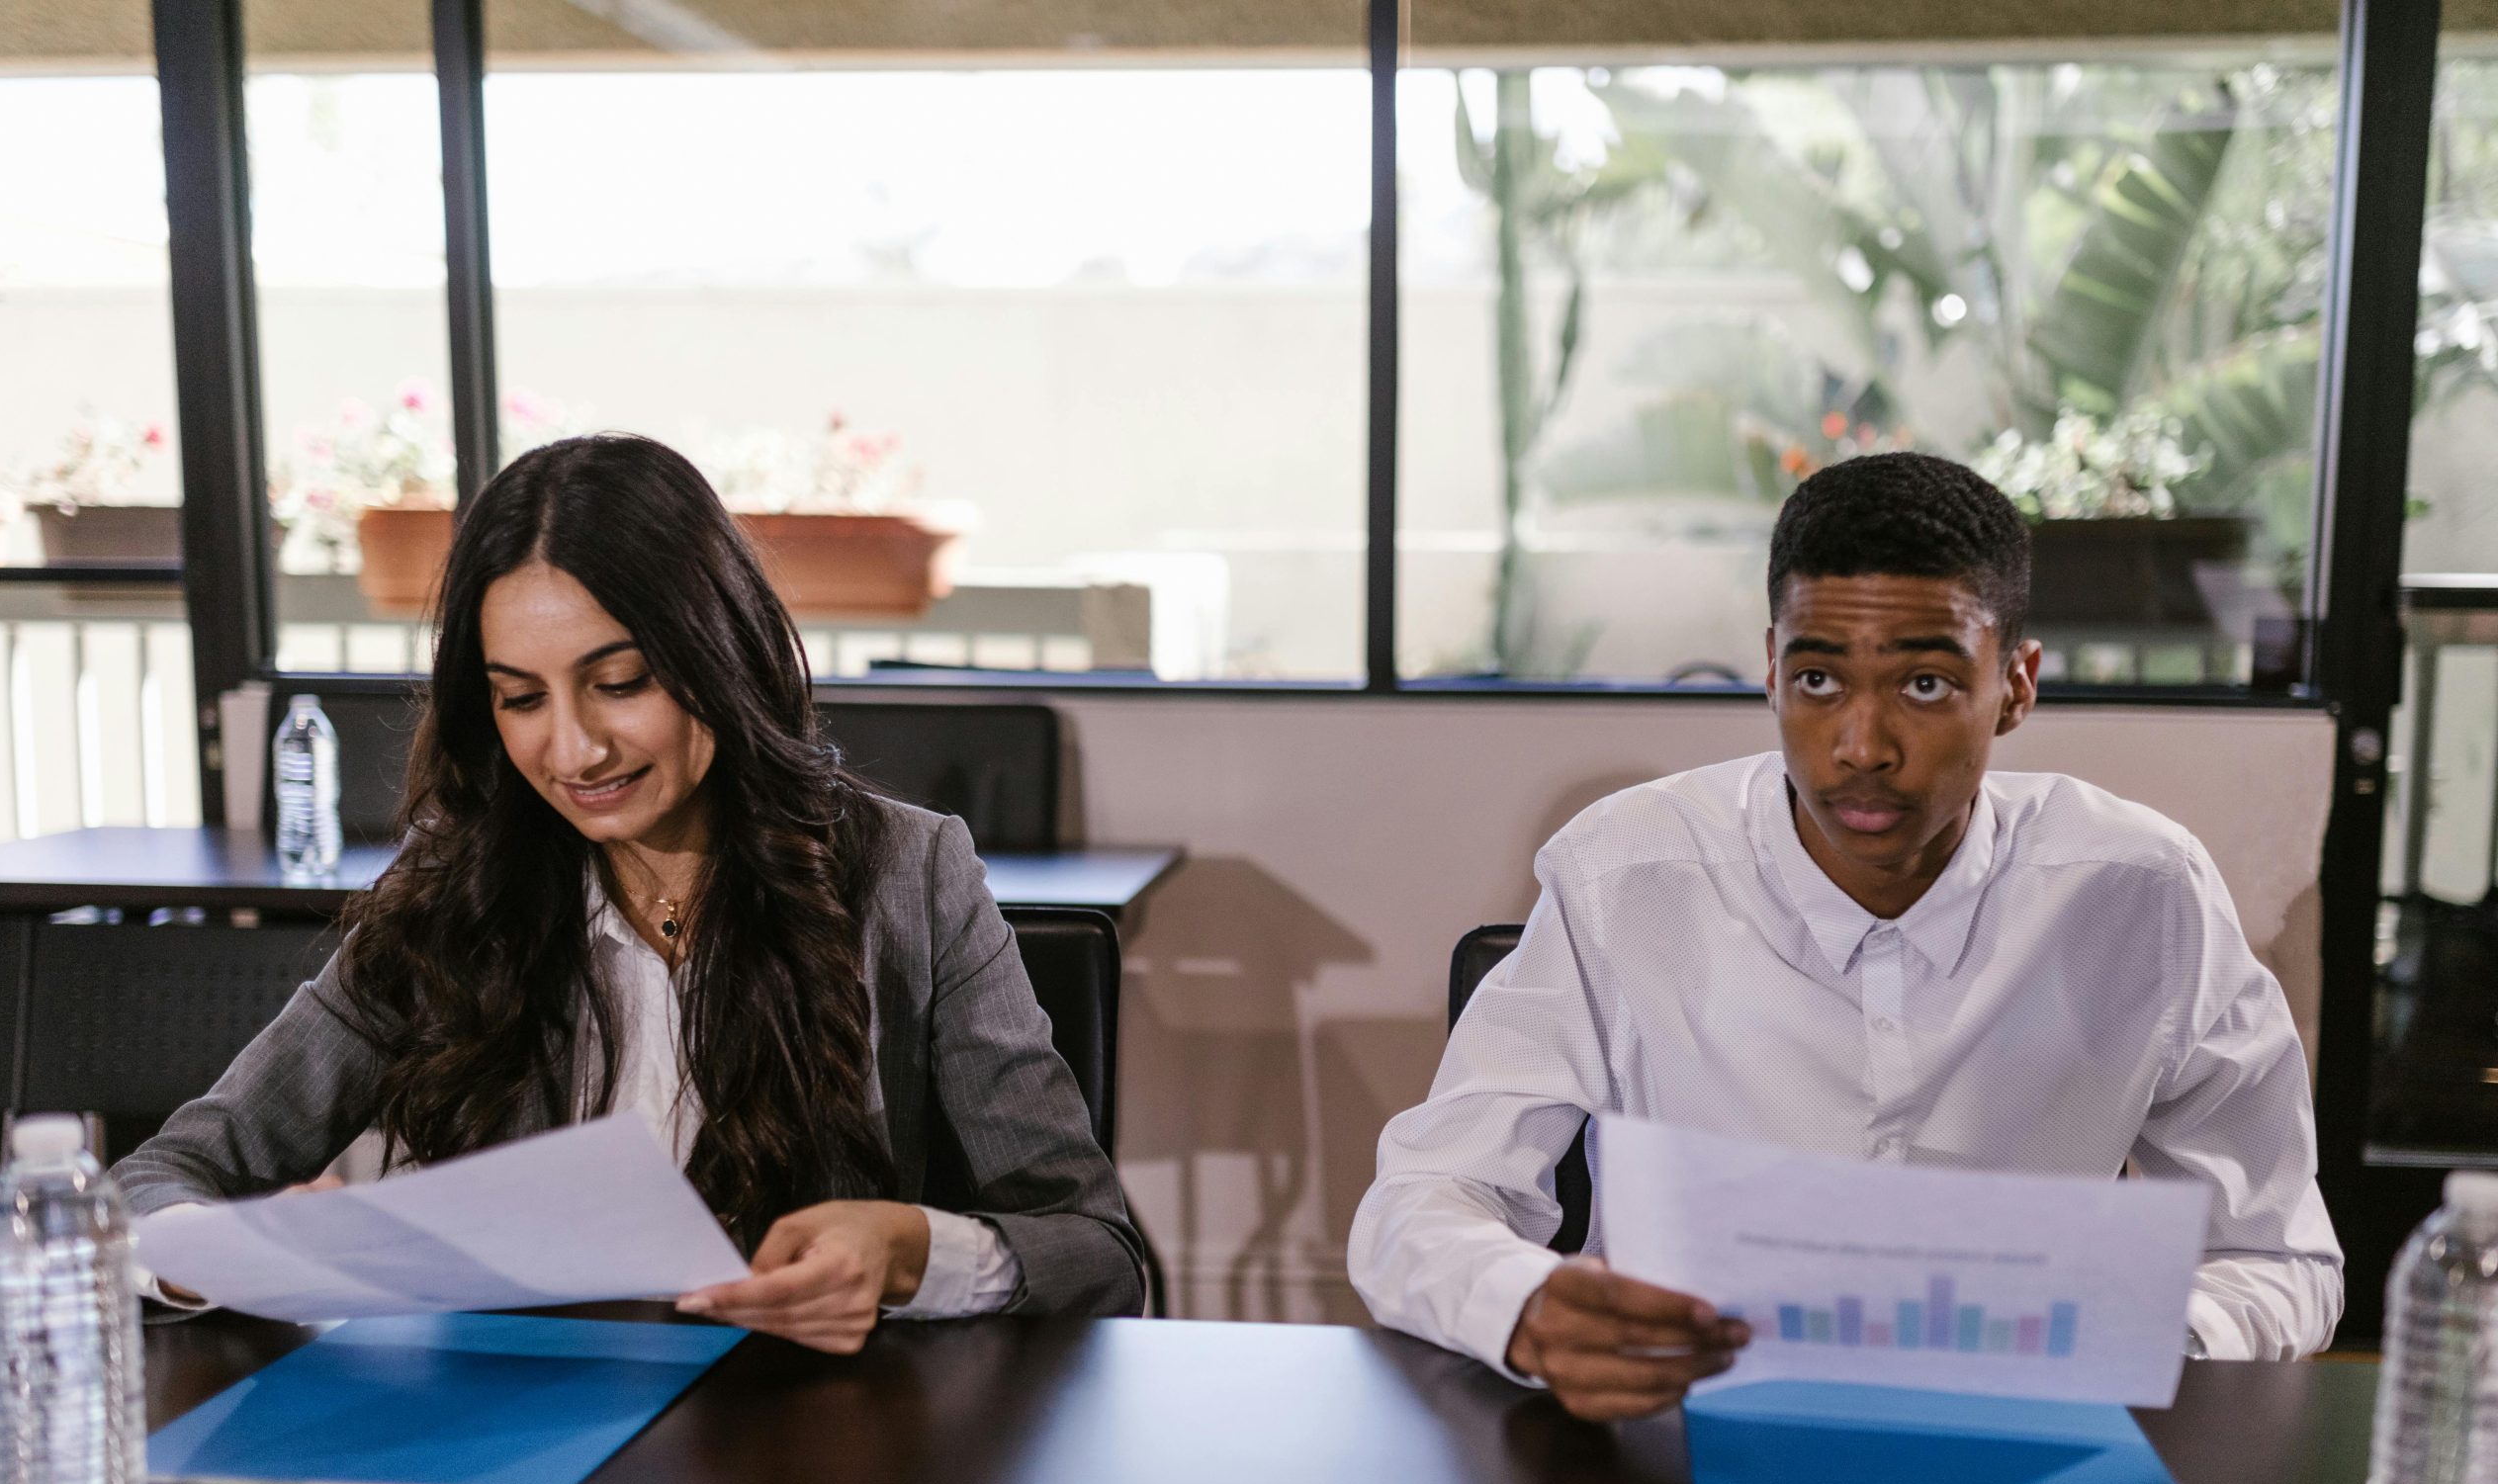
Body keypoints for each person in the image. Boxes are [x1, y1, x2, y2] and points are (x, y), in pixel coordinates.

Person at [1348, 451, 2342, 1421]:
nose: (1862, 748)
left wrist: (2130, 1343)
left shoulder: (2141, 895)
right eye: (1820, 681)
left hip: (2023, 1453)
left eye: (1923, 686)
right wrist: (1525, 1308)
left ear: (2016, 686)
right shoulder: (1626, 874)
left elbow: (2278, 1257)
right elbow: (1424, 1200)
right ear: (1772, 672)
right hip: (1678, 1450)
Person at [121, 433, 1144, 1346]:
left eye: (620, 684)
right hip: (512, 1468)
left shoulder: (910, 878)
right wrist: (221, 1248)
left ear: (720, 654)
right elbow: (152, 1184)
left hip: (800, 1479)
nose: (572, 748)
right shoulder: (450, 897)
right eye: (520, 698)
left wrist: (906, 1249)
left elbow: (1100, 1255)